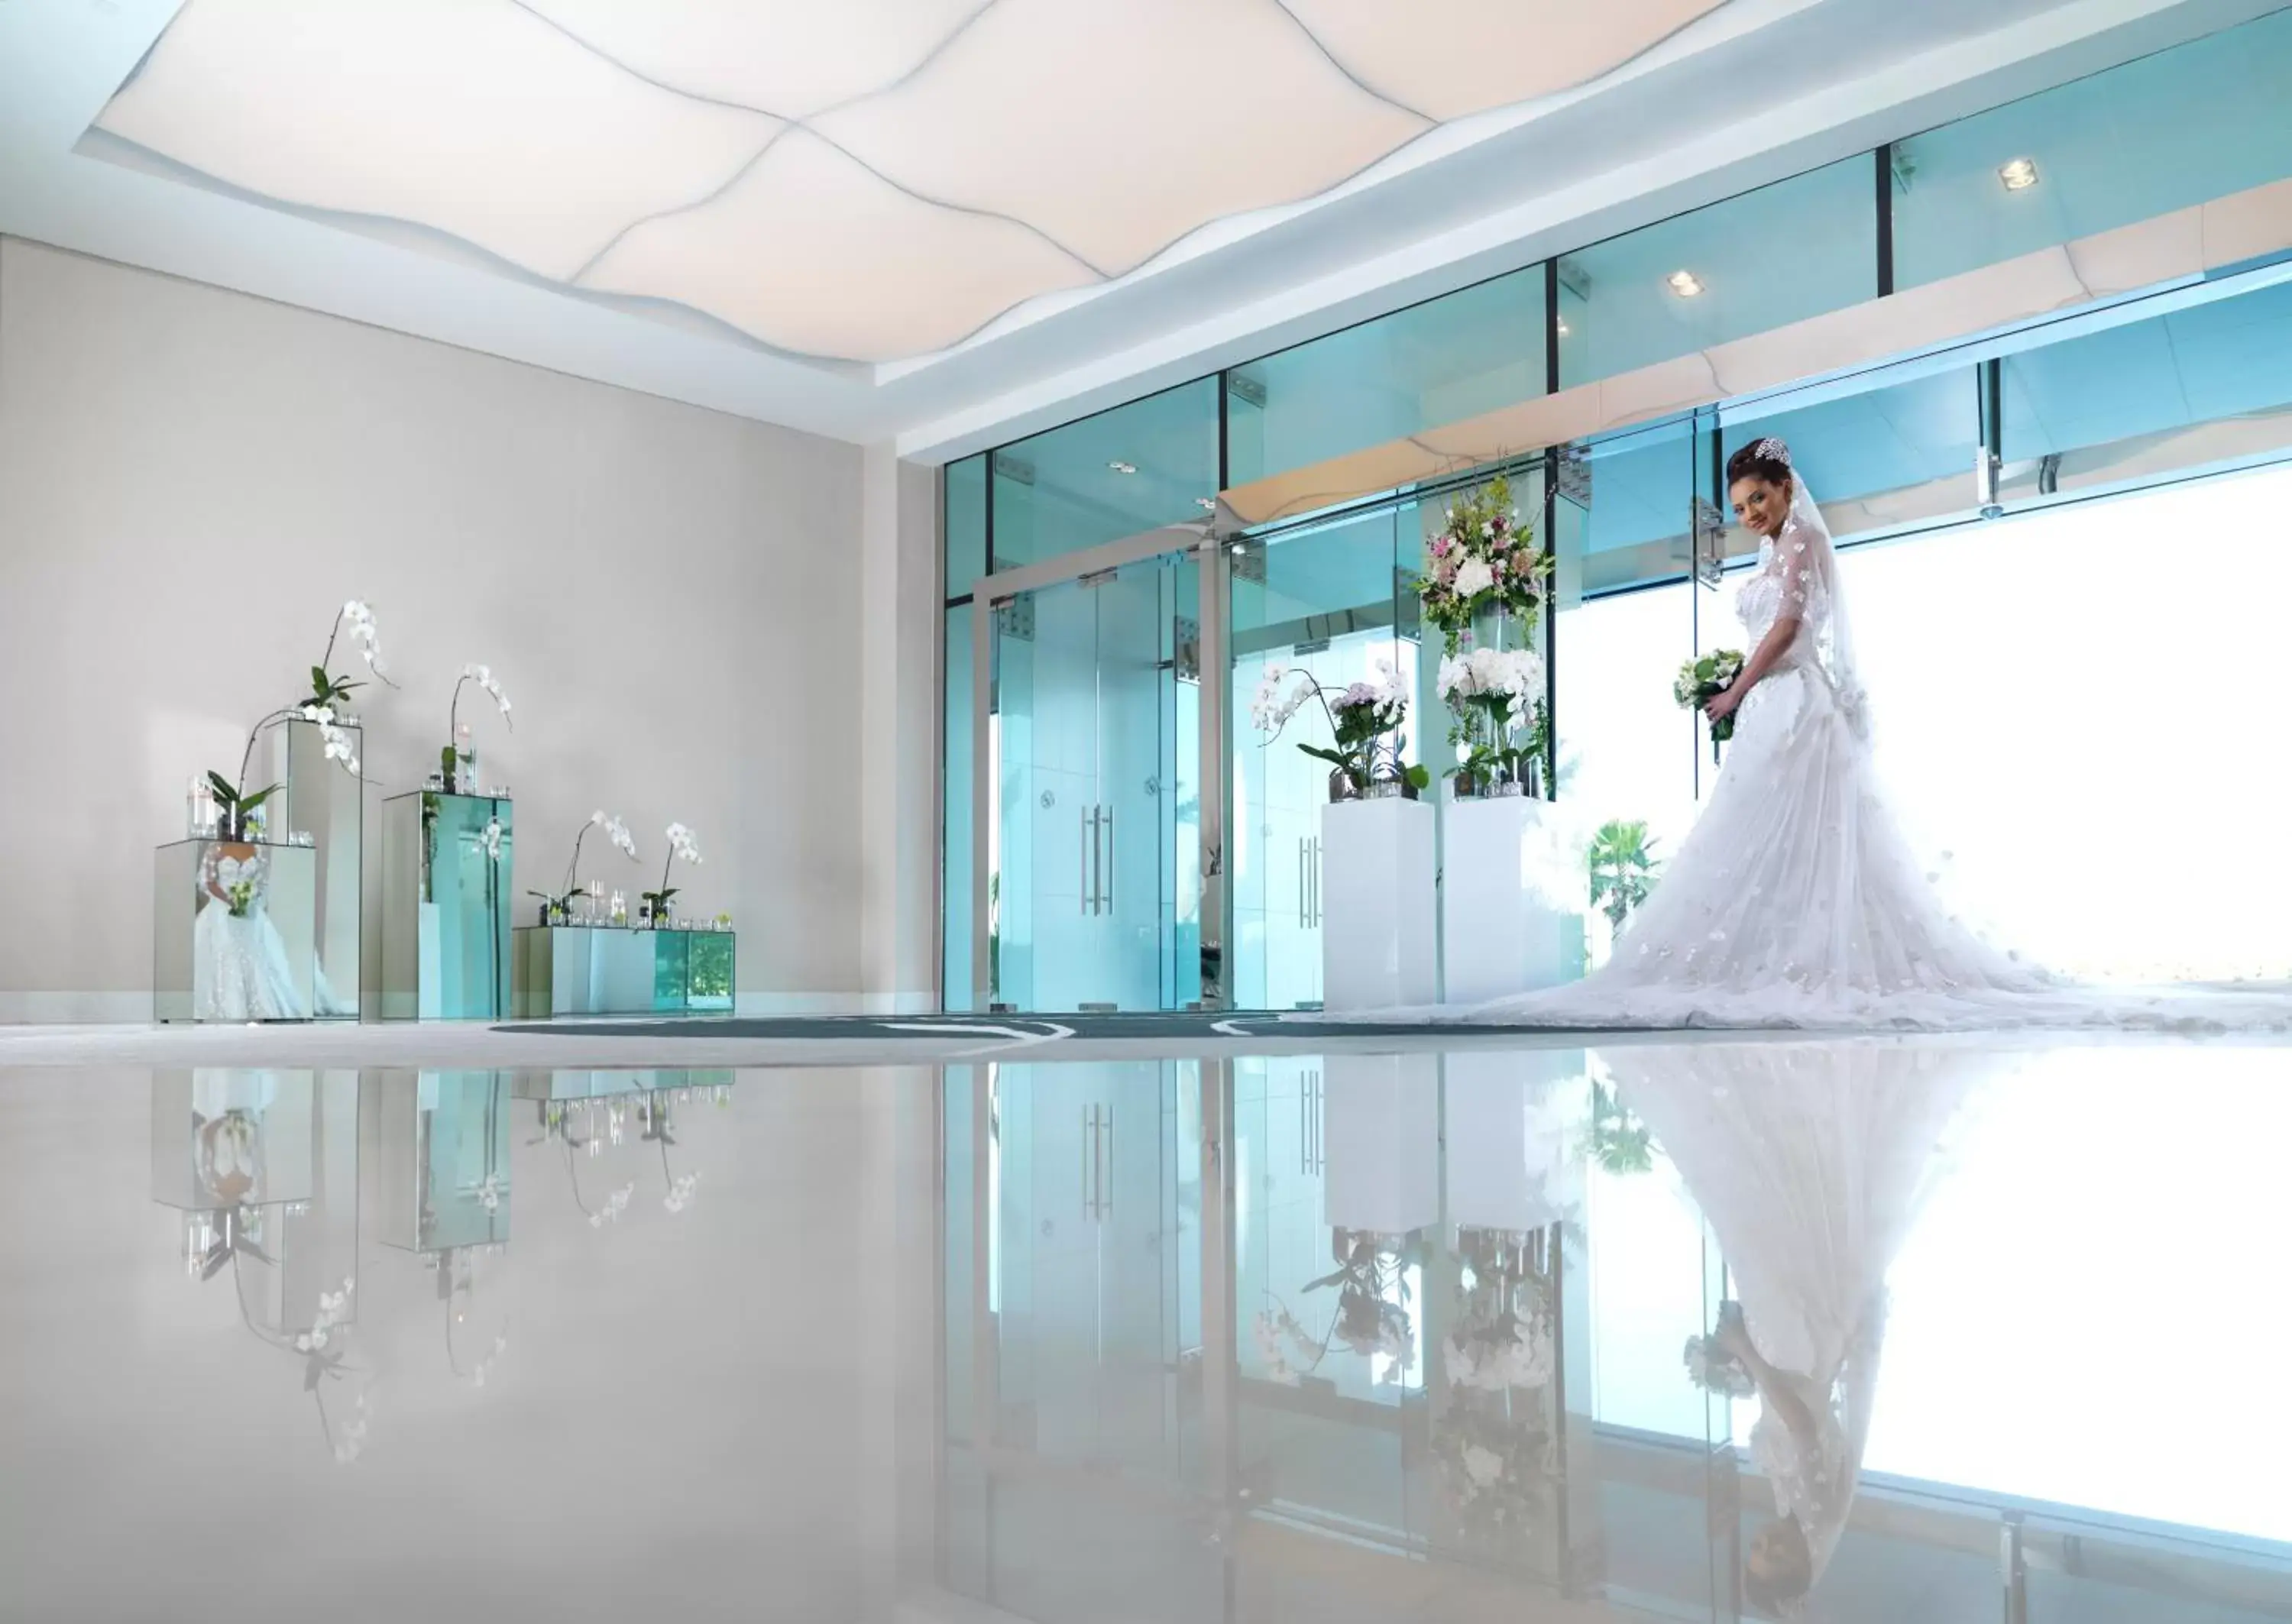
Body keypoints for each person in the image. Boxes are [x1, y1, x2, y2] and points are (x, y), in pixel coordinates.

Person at [1455, 437, 2292, 1031]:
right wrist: (1738, 684)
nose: (1750, 513)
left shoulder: (1804, 541)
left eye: (1759, 499)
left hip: (1791, 708)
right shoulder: (1778, 546)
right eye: (1740, 505)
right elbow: (1772, 627)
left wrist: (1736, 690)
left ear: (1786, 489)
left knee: (1792, 846)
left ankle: (1801, 970)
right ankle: (1767, 964)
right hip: (1778, 709)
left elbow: (1785, 632)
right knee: (1766, 851)